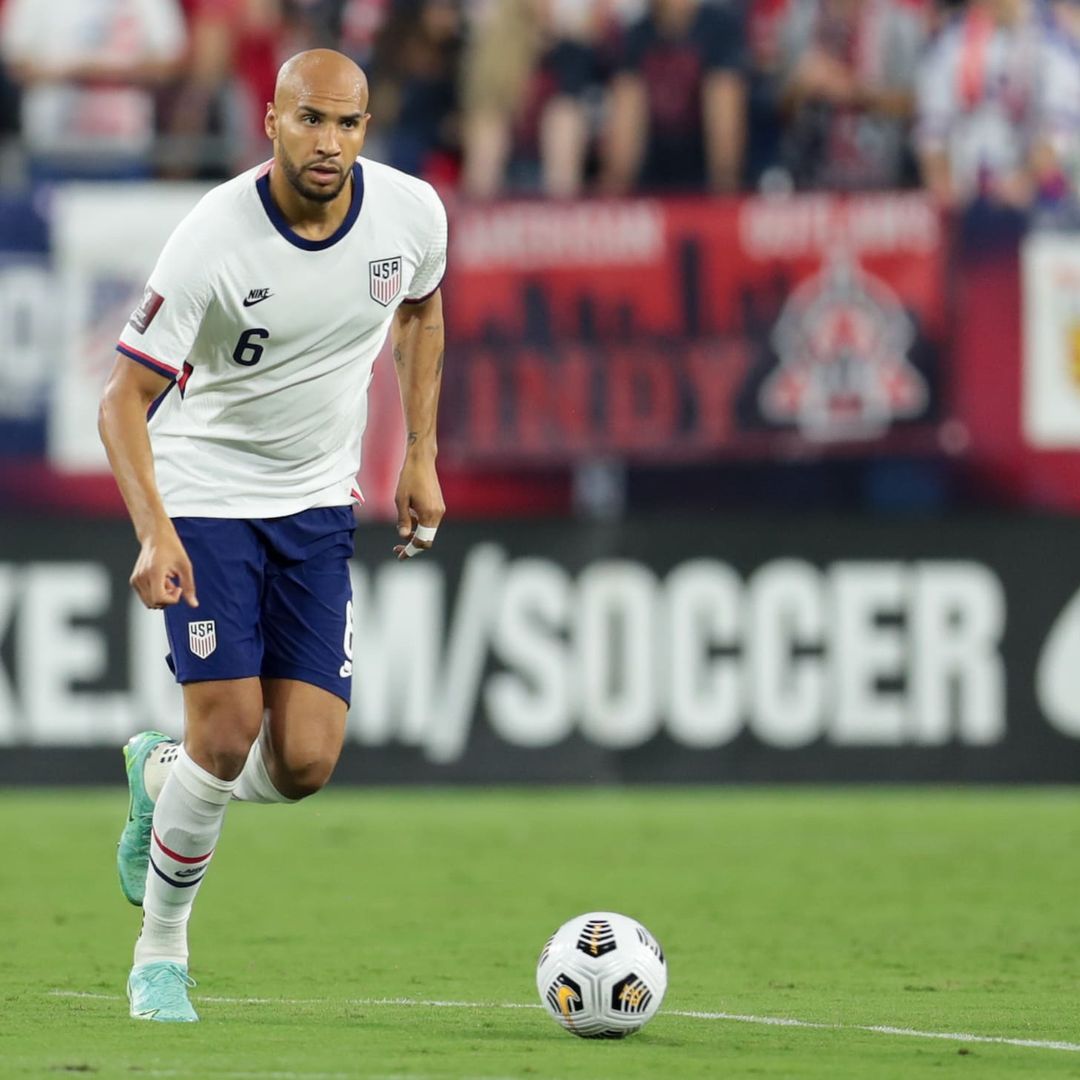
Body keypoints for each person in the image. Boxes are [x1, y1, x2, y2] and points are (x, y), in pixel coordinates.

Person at [97, 47, 447, 1023]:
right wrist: (155, 531)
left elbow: (422, 308)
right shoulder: (213, 239)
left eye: (348, 124)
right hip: (206, 492)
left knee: (304, 764)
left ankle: (156, 775)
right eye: (311, 122)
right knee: (225, 730)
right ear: (271, 121)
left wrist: (419, 453)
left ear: (365, 129)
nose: (329, 143)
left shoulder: (411, 214)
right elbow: (122, 401)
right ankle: (159, 954)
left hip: (317, 501)